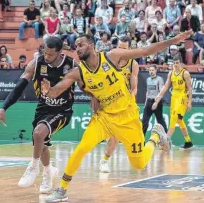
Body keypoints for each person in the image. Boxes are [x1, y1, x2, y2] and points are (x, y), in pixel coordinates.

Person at [42, 31, 192, 202]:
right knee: (81, 148)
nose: (78, 49)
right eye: (76, 47)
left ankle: (155, 136)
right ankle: (61, 190)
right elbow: (57, 90)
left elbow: (145, 51)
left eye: (81, 45)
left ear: (92, 45)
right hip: (104, 118)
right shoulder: (79, 72)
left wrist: (173, 40)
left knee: (139, 164)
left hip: (127, 117)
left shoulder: (112, 56)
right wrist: (49, 91)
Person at [0, 37, 77, 193]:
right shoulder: (36, 64)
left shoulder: (71, 65)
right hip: (43, 109)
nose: (46, 57)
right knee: (41, 145)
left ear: (59, 53)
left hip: (62, 110)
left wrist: (95, 98)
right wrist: (3, 108)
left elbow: (86, 84)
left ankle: (33, 167)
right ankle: (48, 172)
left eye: (50, 55)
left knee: (39, 134)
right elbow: (19, 87)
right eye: (44, 53)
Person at [99, 37, 140, 173]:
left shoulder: (133, 64)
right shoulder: (109, 61)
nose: (121, 50)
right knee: (111, 135)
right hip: (108, 101)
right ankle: (104, 158)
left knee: (120, 136)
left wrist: (129, 98)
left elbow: (134, 88)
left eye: (124, 48)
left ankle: (105, 160)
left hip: (124, 103)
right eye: (120, 47)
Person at [152, 54, 193, 149]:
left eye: (177, 63)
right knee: (179, 120)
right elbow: (166, 86)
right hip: (174, 98)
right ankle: (188, 141)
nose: (175, 65)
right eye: (174, 63)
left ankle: (166, 140)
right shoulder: (171, 73)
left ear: (181, 63)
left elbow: (190, 88)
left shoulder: (185, 73)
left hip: (182, 98)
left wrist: (190, 101)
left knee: (174, 118)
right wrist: (159, 96)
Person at [141, 64, 167, 133]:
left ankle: (167, 138)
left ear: (156, 70)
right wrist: (145, 103)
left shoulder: (159, 79)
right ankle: (141, 141)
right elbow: (148, 92)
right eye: (150, 70)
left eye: (152, 70)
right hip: (149, 101)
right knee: (144, 121)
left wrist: (156, 102)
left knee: (160, 120)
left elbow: (161, 92)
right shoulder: (148, 79)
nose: (151, 71)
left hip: (157, 102)